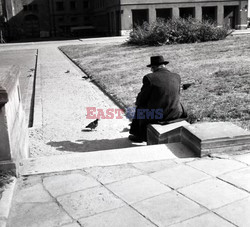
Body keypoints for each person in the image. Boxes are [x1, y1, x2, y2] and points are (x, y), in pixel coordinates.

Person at [129, 55, 187, 142]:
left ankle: (140, 136)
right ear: (164, 65)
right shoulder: (176, 76)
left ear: (154, 67)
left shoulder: (149, 78)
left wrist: (138, 101)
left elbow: (142, 99)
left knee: (140, 107)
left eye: (151, 68)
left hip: (159, 115)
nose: (151, 70)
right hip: (176, 112)